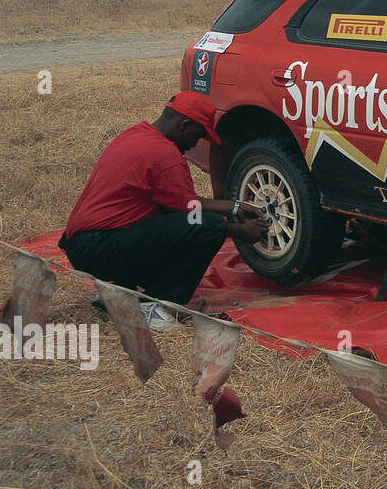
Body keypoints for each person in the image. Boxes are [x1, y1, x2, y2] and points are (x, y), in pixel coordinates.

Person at [59, 93, 268, 331]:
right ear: (184, 125)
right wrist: (238, 229)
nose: (194, 143)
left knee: (183, 227)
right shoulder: (165, 154)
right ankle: (158, 306)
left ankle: (123, 297)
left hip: (85, 244)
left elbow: (173, 210)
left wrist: (234, 206)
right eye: (198, 135)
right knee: (210, 227)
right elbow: (192, 215)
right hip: (100, 246)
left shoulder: (137, 134)